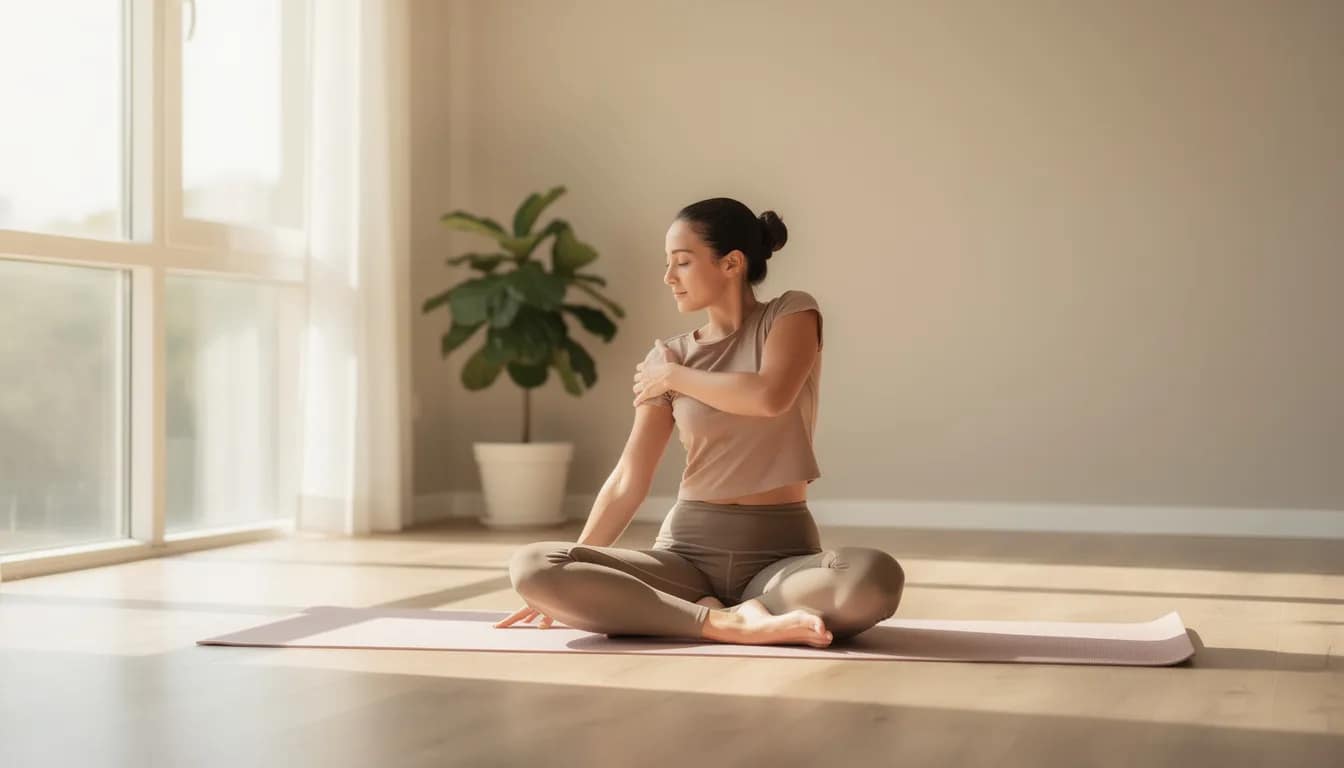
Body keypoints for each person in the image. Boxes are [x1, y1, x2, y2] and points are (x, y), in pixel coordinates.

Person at [495, 197, 905, 647]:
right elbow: (631, 476)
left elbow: (769, 396)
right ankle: (725, 622)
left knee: (873, 576)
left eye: (682, 262)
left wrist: (674, 378)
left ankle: (713, 614)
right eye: (668, 263)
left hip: (780, 561)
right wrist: (577, 563)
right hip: (686, 557)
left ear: (731, 262)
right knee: (534, 566)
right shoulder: (668, 354)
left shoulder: (789, 315)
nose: (668, 277)